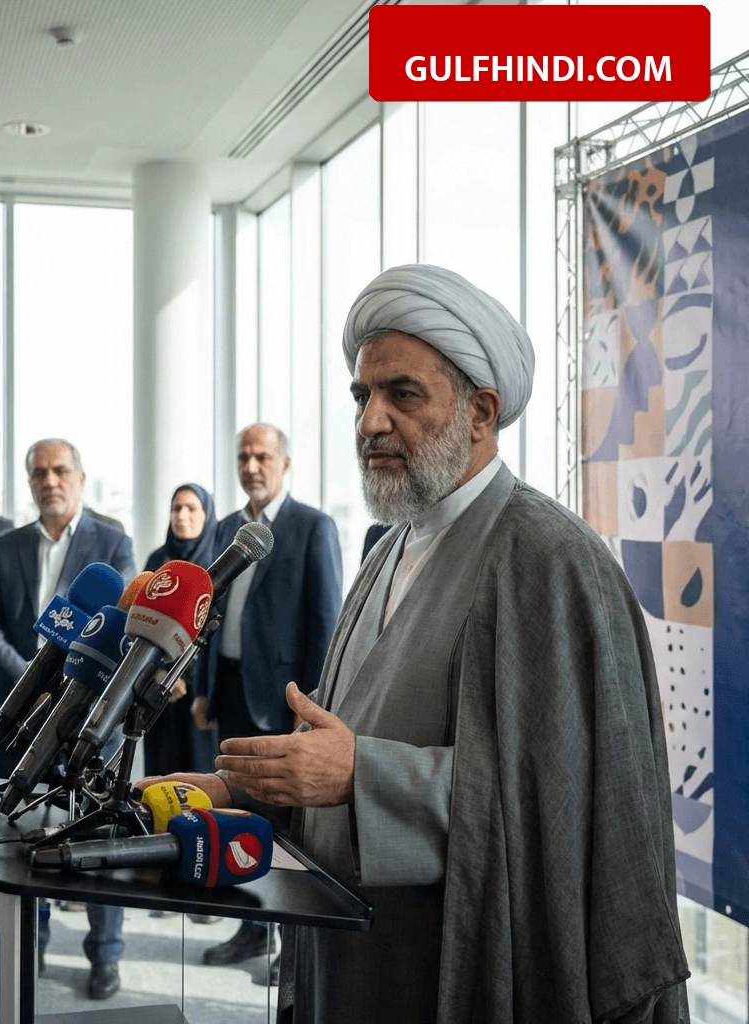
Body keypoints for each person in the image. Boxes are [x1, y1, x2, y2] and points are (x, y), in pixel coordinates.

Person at [147, 264, 690, 1023]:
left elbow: (572, 815)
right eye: (361, 396)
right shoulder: (386, 550)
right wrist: (237, 789)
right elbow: (337, 747)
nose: (371, 421)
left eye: (402, 394)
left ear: (481, 411)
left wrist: (362, 774)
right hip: (345, 956)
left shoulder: (552, 560)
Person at [0, 438, 135, 1000]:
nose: (50, 480)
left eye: (60, 470)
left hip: (93, 717)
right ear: (29, 481)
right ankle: (32, 940)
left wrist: (67, 683)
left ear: (81, 477)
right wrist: (28, 675)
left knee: (98, 831)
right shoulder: (6, 545)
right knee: (22, 829)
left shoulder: (112, 542)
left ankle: (105, 953)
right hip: (25, 708)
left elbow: (123, 626)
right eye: (39, 472)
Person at [195, 423, 342, 971]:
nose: (251, 467)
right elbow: (210, 612)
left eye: (262, 456)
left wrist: (313, 711)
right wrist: (205, 689)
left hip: (284, 702)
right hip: (232, 691)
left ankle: (291, 942)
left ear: (285, 463)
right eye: (243, 457)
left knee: (285, 823)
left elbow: (325, 626)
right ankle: (252, 927)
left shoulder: (313, 527)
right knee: (239, 813)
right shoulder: (228, 527)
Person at [142, 484, 218, 777]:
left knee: (200, 778)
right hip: (158, 687)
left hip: (201, 691)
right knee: (159, 778)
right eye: (176, 508)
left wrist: (186, 676)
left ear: (206, 515)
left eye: (191, 508)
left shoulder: (217, 564)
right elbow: (143, 622)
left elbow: (216, 630)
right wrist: (161, 672)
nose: (182, 515)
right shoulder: (157, 561)